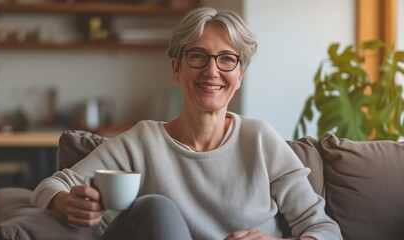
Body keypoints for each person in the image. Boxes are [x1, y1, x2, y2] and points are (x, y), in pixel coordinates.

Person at [31, 7, 342, 240]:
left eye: (227, 59)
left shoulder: (260, 139)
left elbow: (324, 229)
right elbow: (50, 185)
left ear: (240, 75)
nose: (212, 70)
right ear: (176, 68)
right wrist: (66, 202)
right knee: (155, 207)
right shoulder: (143, 142)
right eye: (198, 56)